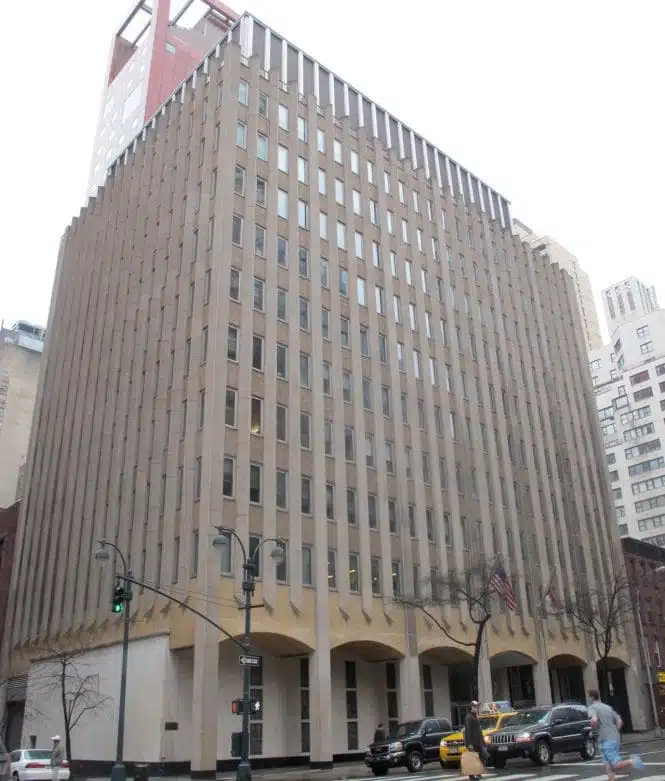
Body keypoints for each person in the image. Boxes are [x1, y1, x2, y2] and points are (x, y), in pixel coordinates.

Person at [587, 689, 644, 781]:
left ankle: (633, 761)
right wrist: (614, 731)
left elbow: (594, 720)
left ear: (592, 697)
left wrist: (592, 730)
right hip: (612, 737)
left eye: (588, 696)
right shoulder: (608, 707)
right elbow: (619, 721)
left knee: (614, 764)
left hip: (606, 738)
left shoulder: (592, 707)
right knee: (608, 764)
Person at [464, 701, 485, 780]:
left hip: (478, 741)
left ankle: (478, 773)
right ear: (472, 707)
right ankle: (472, 776)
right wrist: (469, 744)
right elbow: (467, 731)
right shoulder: (469, 717)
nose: (477, 708)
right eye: (476, 707)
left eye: (477, 707)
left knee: (483, 755)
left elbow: (479, 730)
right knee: (472, 759)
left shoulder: (475, 716)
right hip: (472, 742)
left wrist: (482, 740)